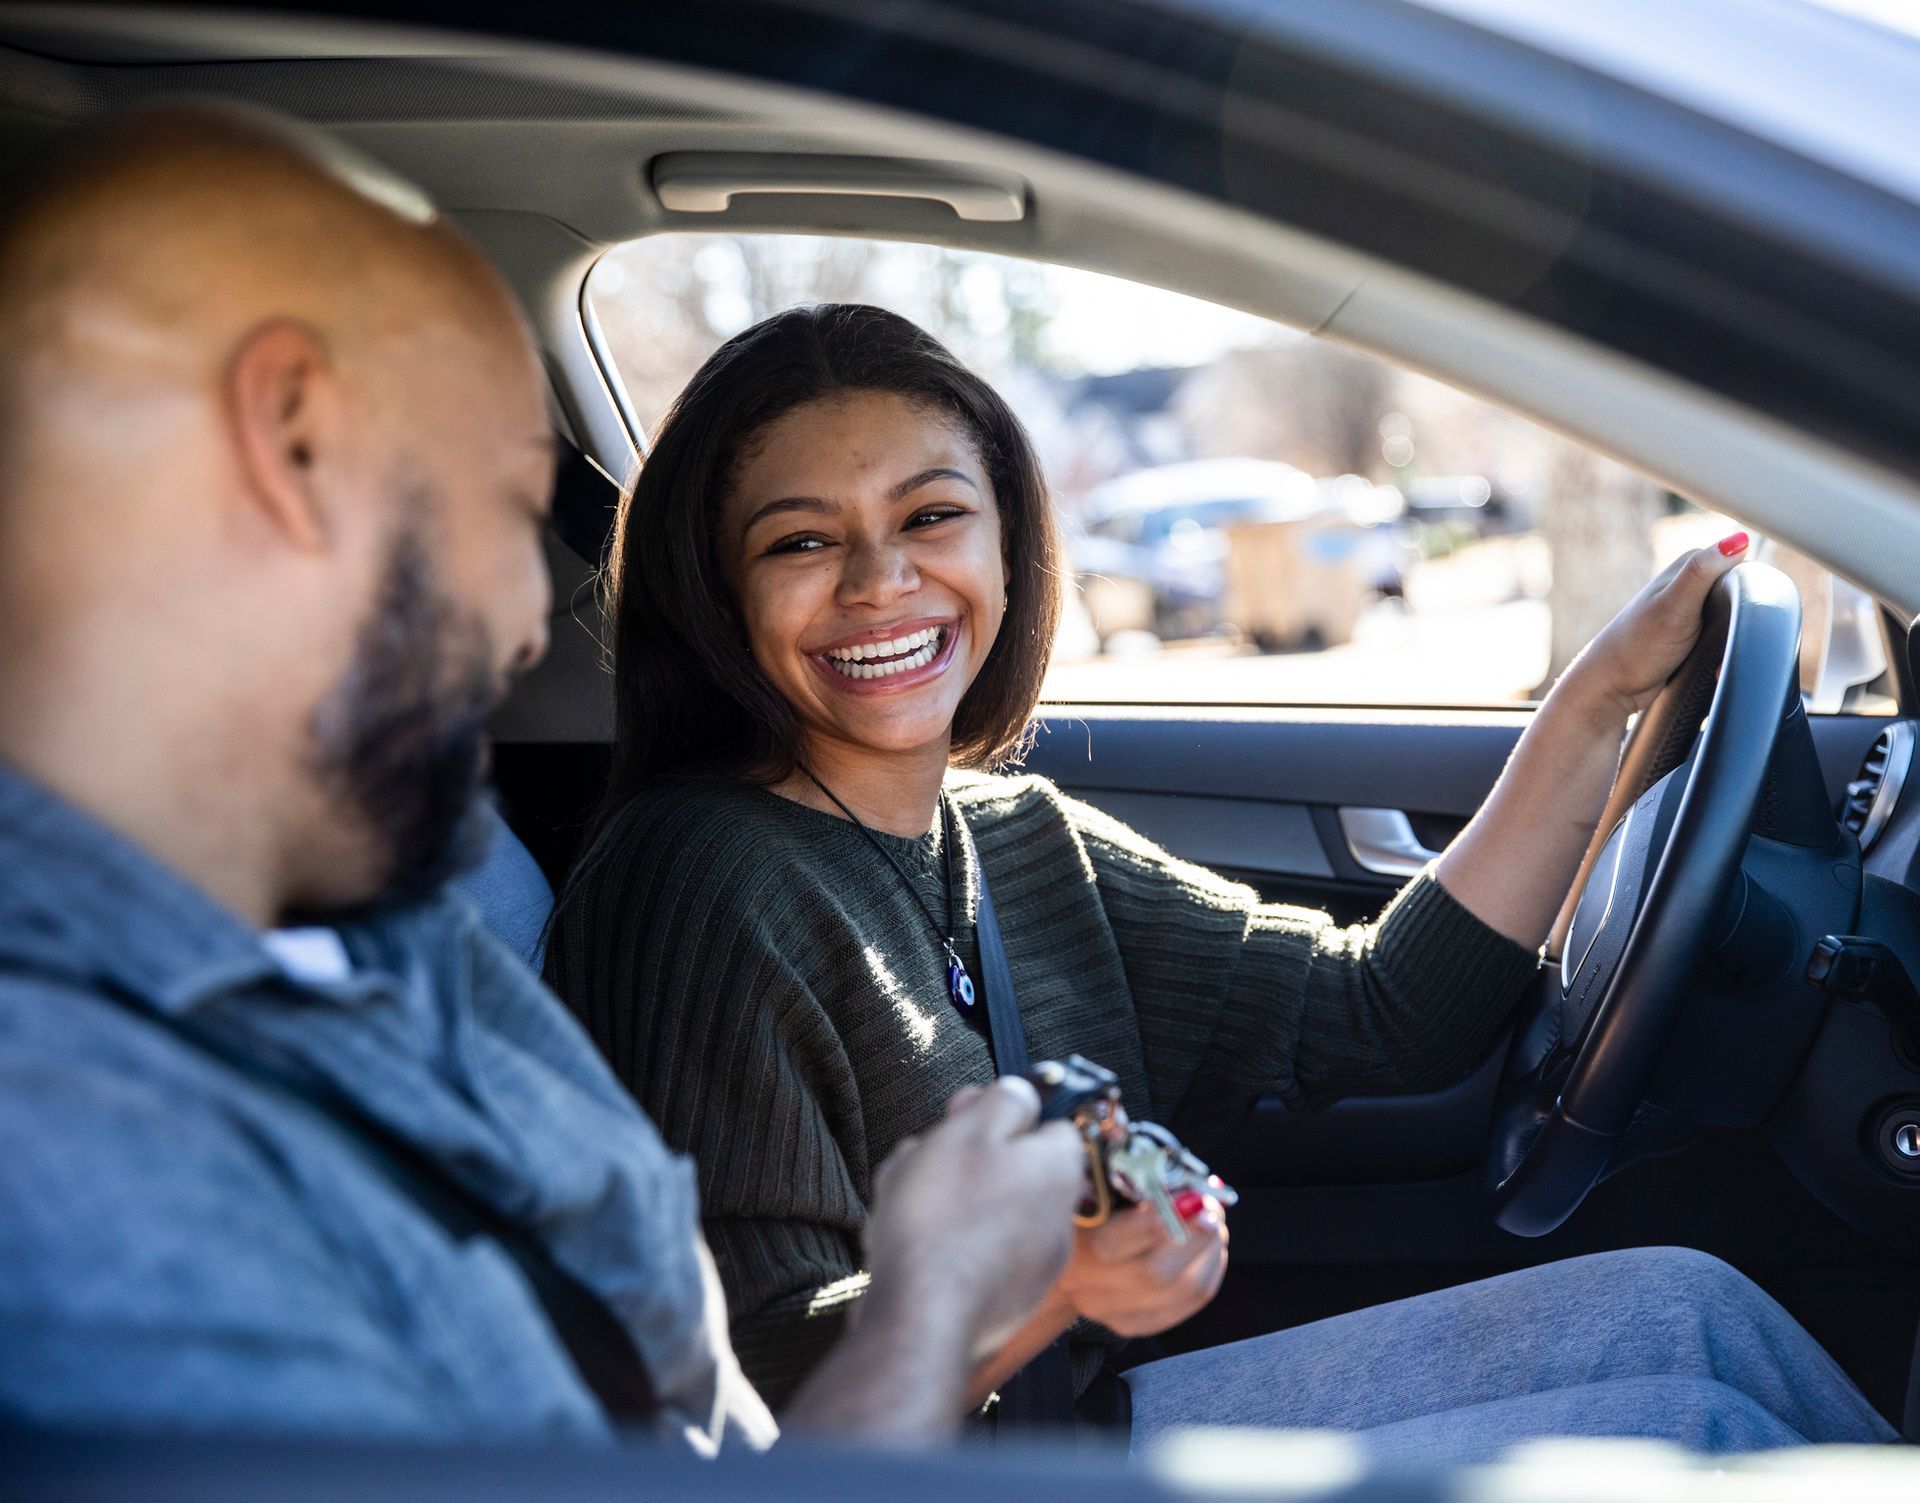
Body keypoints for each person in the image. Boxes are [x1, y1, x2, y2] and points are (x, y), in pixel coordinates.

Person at [544, 303, 1898, 1460]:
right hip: (956, 1475)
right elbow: (748, 1395)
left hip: (1078, 1418)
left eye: (932, 515)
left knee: (1687, 1311)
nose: (882, 582)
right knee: (1700, 1438)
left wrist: (1596, 701)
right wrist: (1051, 1275)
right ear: (718, 596)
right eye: (800, 541)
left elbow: (1373, 1014)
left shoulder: (1012, 837)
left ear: (1009, 546)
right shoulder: (699, 883)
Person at [0, 106, 1091, 1449]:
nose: (532, 623)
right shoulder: (65, 1163)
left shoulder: (400, 920)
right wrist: (937, 1303)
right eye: (517, 507)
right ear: (294, 442)